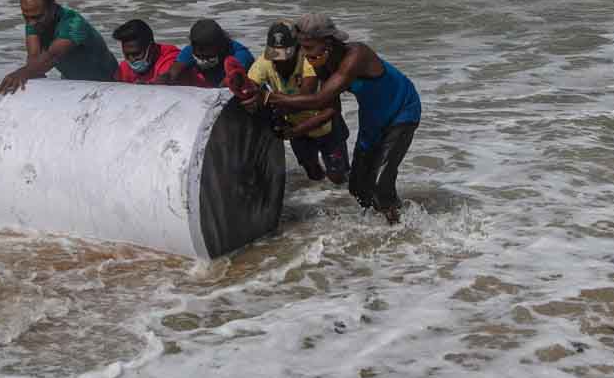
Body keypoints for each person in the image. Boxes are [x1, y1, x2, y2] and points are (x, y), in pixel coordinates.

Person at [266, 14, 420, 223]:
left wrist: (268, 97)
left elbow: (319, 99)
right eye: (301, 47)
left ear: (328, 42)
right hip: (372, 119)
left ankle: (401, 233)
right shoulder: (322, 63)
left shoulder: (356, 55)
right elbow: (330, 110)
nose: (304, 53)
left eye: (309, 47)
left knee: (379, 184)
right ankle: (378, 227)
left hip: (402, 111)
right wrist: (294, 132)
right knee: (358, 187)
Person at [237, 21, 349, 184]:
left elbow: (307, 95)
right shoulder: (264, 62)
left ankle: (343, 202)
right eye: (275, 55)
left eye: (285, 55)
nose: (279, 61)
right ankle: (323, 200)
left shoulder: (310, 61)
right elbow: (251, 87)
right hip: (296, 129)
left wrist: (269, 98)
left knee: (338, 175)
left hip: (326, 126)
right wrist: (247, 93)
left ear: (298, 48)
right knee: (312, 172)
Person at [0, 0, 118, 94]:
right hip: (75, 83)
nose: (31, 24)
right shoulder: (35, 19)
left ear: (52, 6)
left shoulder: (73, 23)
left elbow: (51, 58)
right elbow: (34, 59)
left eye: (37, 17)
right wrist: (26, 75)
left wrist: (22, 72)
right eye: (26, 16)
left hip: (109, 82)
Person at [153, 18, 253, 88]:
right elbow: (171, 74)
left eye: (208, 57)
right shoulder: (191, 50)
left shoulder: (240, 56)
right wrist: (151, 84)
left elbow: (228, 84)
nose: (202, 60)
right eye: (198, 56)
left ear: (221, 47)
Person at [112, 19, 185, 84]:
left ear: (152, 48)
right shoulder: (124, 67)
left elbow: (167, 80)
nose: (131, 59)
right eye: (127, 54)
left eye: (136, 54)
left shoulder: (172, 61)